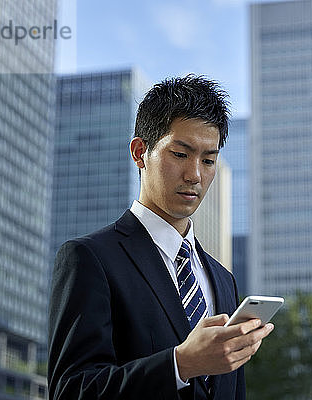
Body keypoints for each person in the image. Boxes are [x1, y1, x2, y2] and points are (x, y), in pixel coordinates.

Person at [47, 75, 274, 400]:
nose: (195, 174)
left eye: (208, 160)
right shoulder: (89, 259)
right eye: (180, 154)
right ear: (140, 152)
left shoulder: (224, 280)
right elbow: (71, 391)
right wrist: (179, 364)